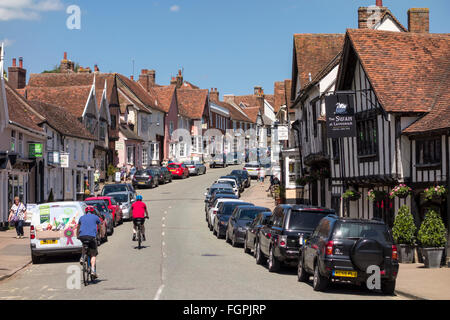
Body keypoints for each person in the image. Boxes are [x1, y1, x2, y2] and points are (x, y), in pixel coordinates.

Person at [77, 206, 101, 278]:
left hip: (82, 236)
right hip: (91, 237)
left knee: (84, 245)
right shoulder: (96, 217)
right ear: (93, 212)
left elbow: (78, 228)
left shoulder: (81, 217)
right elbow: (100, 227)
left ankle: (82, 257)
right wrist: (100, 235)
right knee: (93, 254)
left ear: (86, 212)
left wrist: (77, 236)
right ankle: (93, 270)